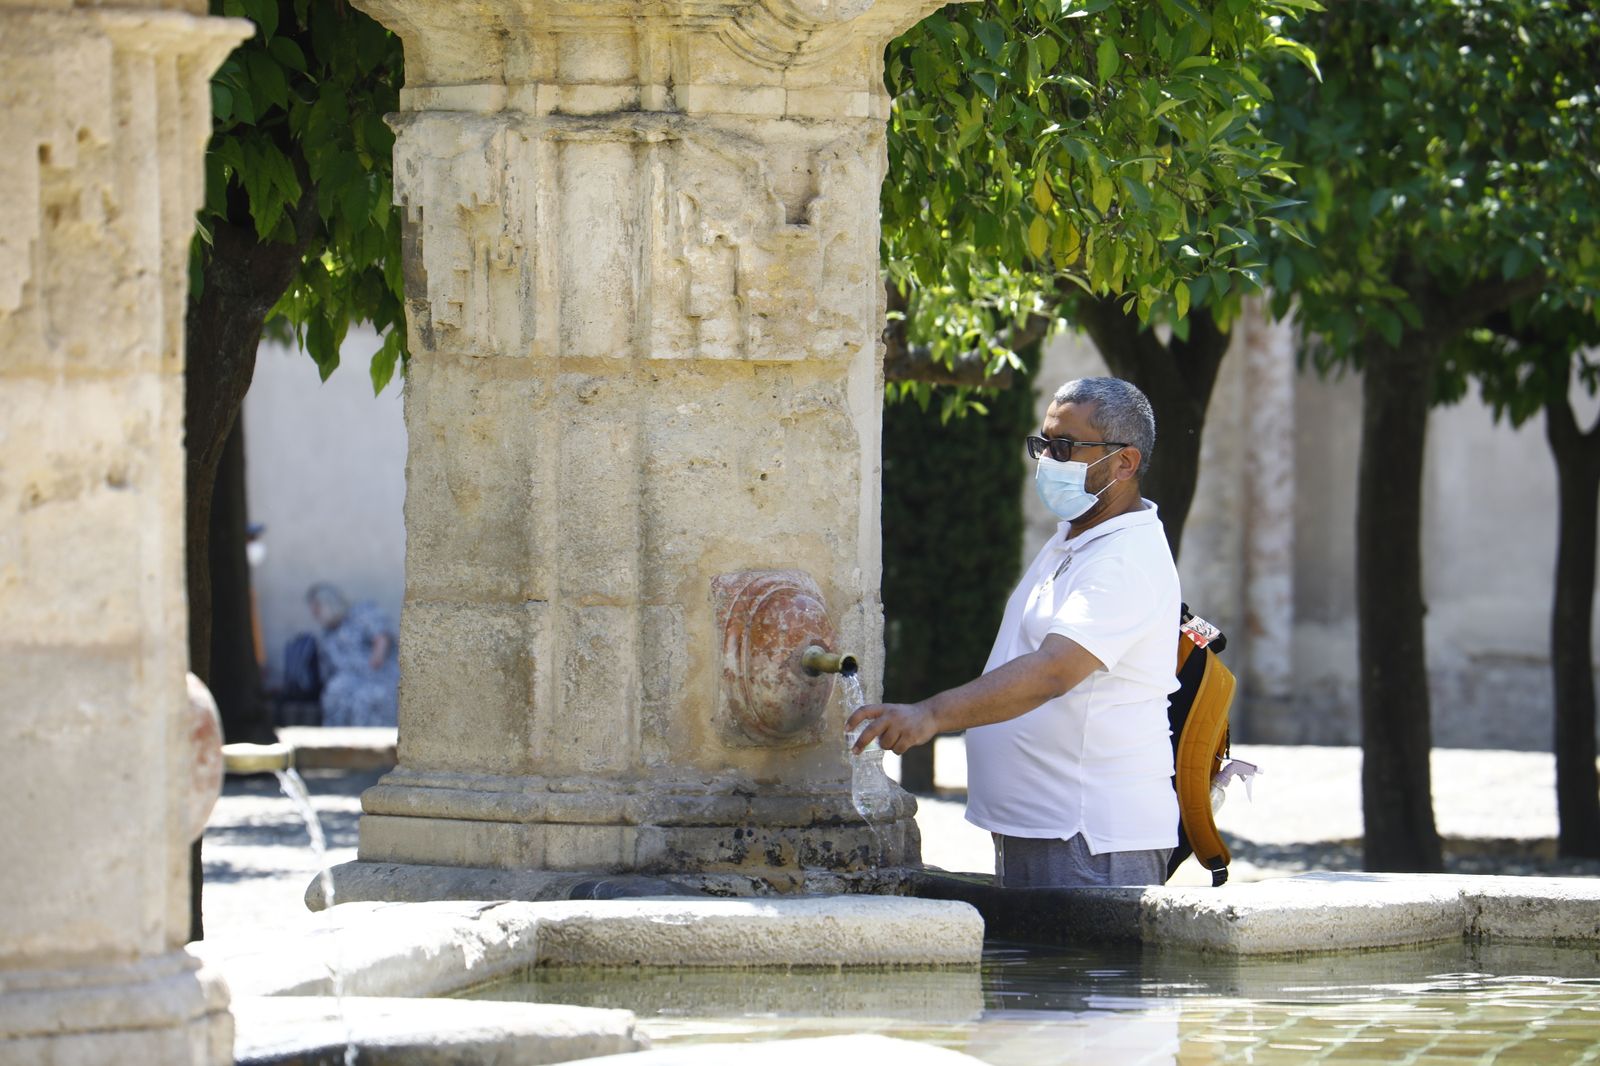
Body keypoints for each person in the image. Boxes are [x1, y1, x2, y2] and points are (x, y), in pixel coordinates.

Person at [848, 377, 1180, 888]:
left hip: (1088, 838)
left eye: (1064, 447)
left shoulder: (1123, 559)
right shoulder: (1078, 538)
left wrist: (929, 715)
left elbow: (1053, 671)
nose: (1046, 459)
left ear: (1124, 463)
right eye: (1043, 443)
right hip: (1049, 830)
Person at [306, 582, 399, 727]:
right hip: (349, 681)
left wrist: (376, 659)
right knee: (334, 692)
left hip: (378, 677)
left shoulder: (362, 613)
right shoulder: (328, 634)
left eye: (318, 611)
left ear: (330, 603)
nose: (316, 616)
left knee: (367, 699)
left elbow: (382, 636)